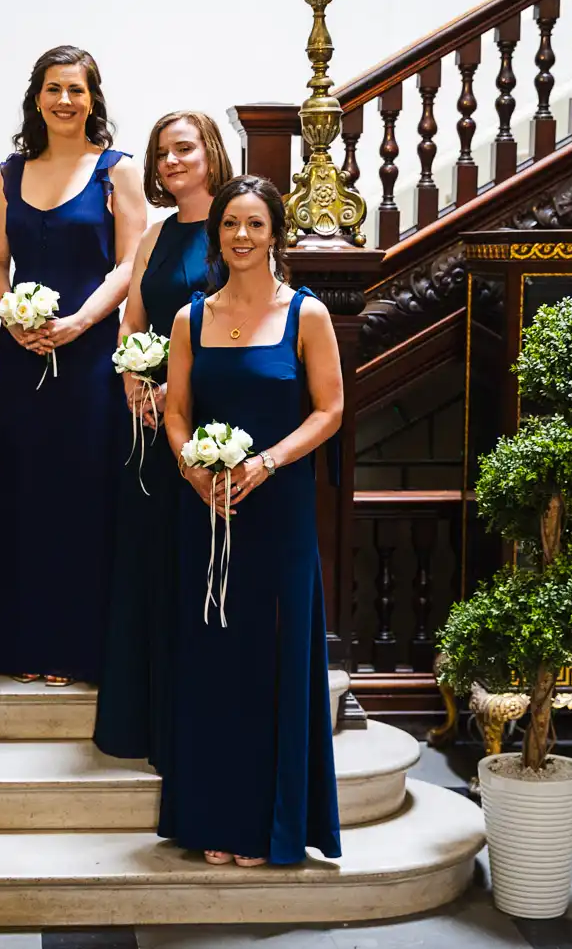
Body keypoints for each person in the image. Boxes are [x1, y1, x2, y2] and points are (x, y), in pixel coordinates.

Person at [157, 175, 343, 868]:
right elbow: (177, 413)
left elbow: (329, 411)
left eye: (255, 225)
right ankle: (213, 816)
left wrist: (266, 464)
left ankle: (271, 823)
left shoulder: (308, 314)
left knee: (272, 660)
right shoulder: (189, 318)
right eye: (230, 224)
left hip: (279, 509)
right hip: (207, 509)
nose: (241, 236)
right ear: (218, 233)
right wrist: (191, 468)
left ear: (275, 235)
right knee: (213, 663)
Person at [0, 45, 147, 687]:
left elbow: (130, 264)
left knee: (85, 493)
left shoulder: (117, 170)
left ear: (93, 99)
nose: (65, 101)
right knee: (23, 492)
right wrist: (10, 316)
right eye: (53, 89)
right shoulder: (9, 172)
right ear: (37, 97)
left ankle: (81, 649)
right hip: (24, 358)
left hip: (91, 359)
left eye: (76, 90)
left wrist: (79, 323)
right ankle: (22, 643)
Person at [93, 112, 232, 768]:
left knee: (200, 569)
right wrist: (132, 384)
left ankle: (198, 723)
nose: (172, 161)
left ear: (212, 153)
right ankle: (142, 723)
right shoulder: (151, 237)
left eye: (185, 148)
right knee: (149, 566)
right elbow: (132, 323)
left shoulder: (237, 227)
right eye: (162, 152)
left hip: (214, 425)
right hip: (149, 429)